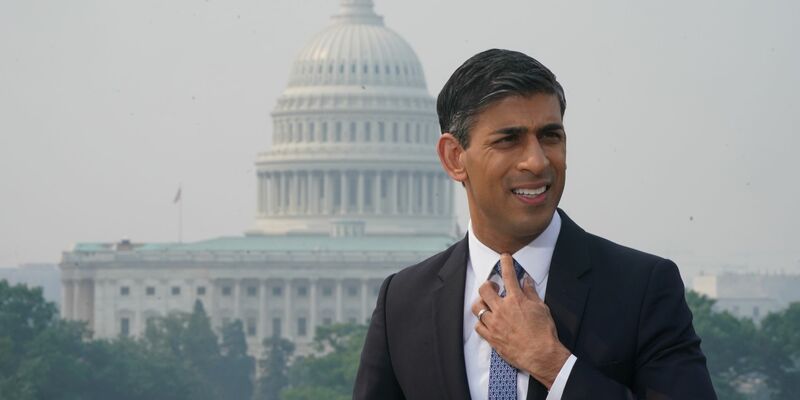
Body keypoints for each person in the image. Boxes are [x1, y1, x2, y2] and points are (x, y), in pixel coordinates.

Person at [353, 49, 716, 400]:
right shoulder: (403, 301)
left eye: (550, 136)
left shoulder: (641, 288)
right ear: (454, 157)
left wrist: (554, 365)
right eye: (508, 140)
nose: (537, 161)